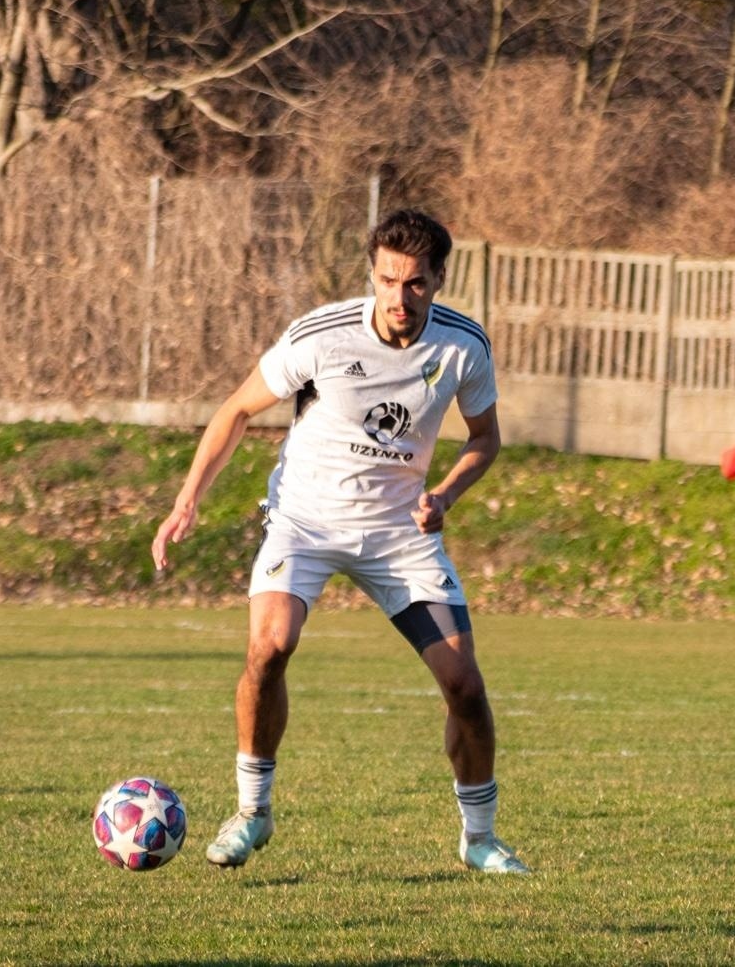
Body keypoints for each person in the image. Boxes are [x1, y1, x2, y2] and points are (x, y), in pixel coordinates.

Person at [152, 209, 528, 875]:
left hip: (397, 533)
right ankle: (253, 811)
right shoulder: (321, 336)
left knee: (465, 686)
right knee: (269, 647)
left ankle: (479, 837)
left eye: (415, 283)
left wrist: (443, 495)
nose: (399, 296)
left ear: (439, 278)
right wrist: (188, 499)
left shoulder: (463, 346)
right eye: (388, 279)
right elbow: (237, 408)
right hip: (306, 519)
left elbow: (485, 438)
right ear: (372, 274)